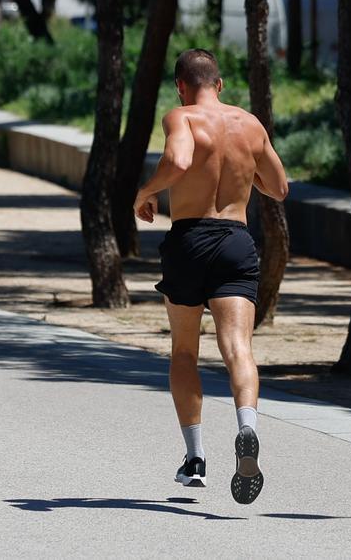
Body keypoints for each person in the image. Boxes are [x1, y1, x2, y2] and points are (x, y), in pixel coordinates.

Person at [133, 48, 289, 505]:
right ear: (219, 84)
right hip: (237, 241)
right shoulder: (249, 124)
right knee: (239, 347)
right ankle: (247, 428)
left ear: (181, 86)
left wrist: (144, 192)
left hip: (189, 239)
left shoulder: (180, 117)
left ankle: (196, 459)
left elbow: (179, 163)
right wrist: (247, 174)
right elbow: (279, 187)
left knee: (184, 350)